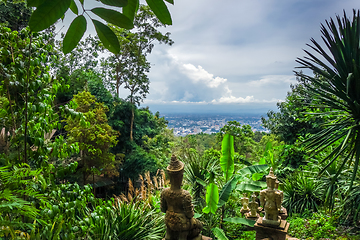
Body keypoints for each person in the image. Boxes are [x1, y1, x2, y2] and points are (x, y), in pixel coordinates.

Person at [161, 155, 203, 240]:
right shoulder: (184, 195)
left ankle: (169, 236)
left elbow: (163, 209)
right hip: (182, 224)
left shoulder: (164, 192)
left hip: (168, 221)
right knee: (199, 225)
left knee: (169, 235)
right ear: (180, 176)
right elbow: (190, 214)